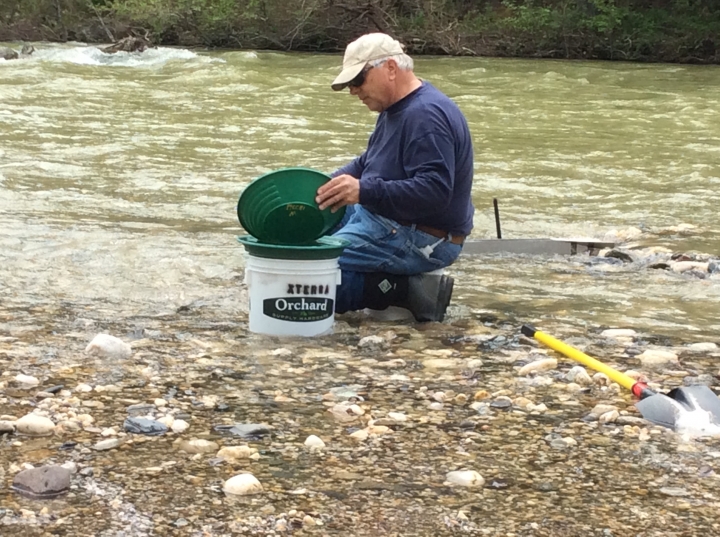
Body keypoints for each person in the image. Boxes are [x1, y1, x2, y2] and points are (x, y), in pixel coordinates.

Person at [316, 33, 474, 322]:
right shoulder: (395, 108)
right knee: (310, 223)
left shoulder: (426, 116)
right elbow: (368, 163)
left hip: (421, 236)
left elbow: (435, 192)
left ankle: (404, 291)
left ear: (390, 68)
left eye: (358, 80)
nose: (354, 91)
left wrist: (363, 192)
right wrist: (322, 186)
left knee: (305, 274)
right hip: (386, 217)